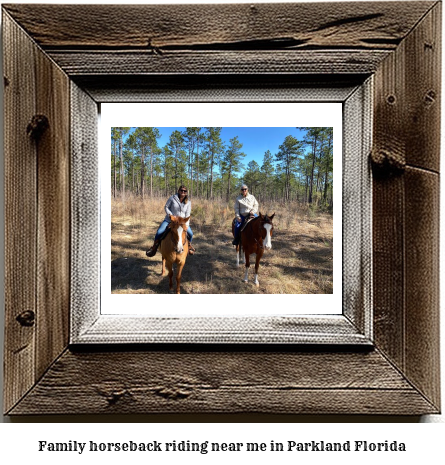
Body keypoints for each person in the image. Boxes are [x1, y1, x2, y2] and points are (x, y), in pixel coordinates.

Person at [146, 185, 195, 257]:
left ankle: (189, 246)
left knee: (190, 234)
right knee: (159, 232)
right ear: (178, 191)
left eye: (185, 191)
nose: (183, 192)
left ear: (186, 192)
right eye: (181, 190)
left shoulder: (188, 202)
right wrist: (171, 215)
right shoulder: (172, 198)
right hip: (170, 220)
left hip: (181, 222)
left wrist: (186, 224)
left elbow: (188, 214)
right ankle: (154, 247)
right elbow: (166, 207)